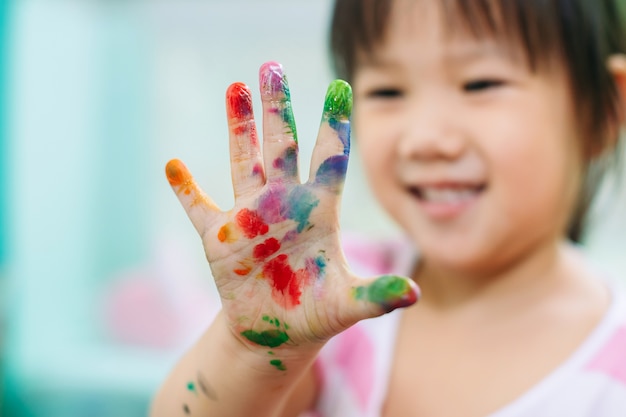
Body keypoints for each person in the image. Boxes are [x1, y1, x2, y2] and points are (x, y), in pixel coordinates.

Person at [150, 0, 626, 415]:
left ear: (604, 110)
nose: (425, 139)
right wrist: (252, 350)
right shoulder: (329, 293)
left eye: (481, 84)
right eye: (387, 92)